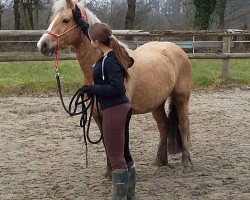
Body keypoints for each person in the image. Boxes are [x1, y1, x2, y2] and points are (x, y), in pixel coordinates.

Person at [72, 5, 136, 200]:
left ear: (96, 42)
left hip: (114, 109)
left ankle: (119, 197)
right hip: (119, 108)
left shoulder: (110, 61)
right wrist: (81, 21)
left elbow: (116, 88)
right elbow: (96, 34)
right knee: (124, 153)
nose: (88, 40)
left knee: (115, 156)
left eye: (90, 38)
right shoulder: (111, 52)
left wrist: (91, 89)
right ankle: (130, 195)